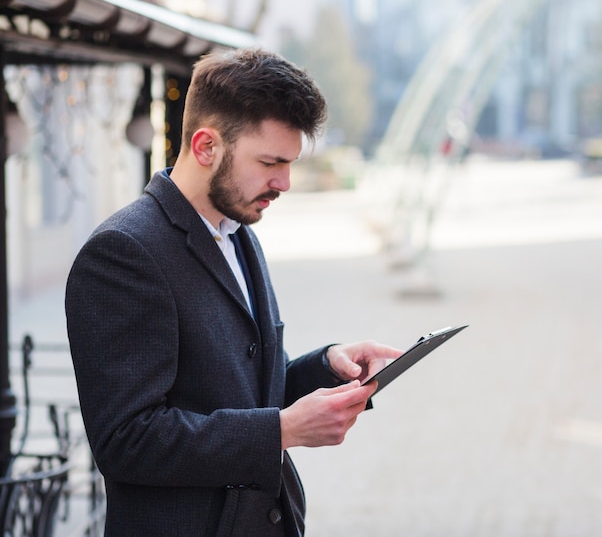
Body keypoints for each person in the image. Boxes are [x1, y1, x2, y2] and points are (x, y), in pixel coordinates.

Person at [65, 48, 402, 537]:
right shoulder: (123, 253)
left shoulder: (239, 232)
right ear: (206, 147)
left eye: (290, 163)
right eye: (270, 162)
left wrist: (327, 367)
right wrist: (282, 431)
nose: (284, 182)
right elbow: (126, 441)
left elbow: (245, 390)